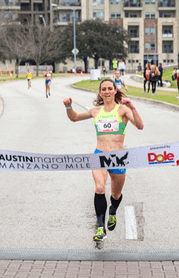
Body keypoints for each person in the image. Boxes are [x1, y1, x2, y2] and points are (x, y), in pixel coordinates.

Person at [62, 78, 144, 241]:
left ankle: (112, 211)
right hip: (99, 155)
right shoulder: (95, 111)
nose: (106, 91)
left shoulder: (123, 110)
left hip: (118, 158)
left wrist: (133, 108)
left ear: (115, 91)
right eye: (103, 89)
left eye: (109, 88)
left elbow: (140, 126)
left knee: (116, 194)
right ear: (100, 93)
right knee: (99, 188)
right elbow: (75, 118)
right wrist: (68, 107)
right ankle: (100, 227)